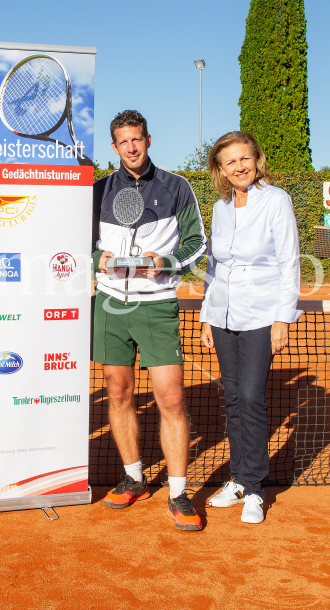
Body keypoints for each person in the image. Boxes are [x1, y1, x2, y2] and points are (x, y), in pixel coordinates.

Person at [92, 110, 207, 531]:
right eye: (123, 142)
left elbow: (198, 242)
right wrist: (94, 258)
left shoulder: (176, 187)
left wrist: (167, 262)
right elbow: (78, 240)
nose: (132, 148)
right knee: (117, 392)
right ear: (114, 146)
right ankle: (134, 477)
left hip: (157, 304)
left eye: (137, 139)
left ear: (148, 139)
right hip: (108, 304)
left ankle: (178, 492)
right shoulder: (99, 189)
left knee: (171, 398)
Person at [199, 131, 302, 524]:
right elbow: (214, 265)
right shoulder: (221, 207)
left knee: (252, 397)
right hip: (222, 314)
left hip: (262, 314)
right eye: (230, 162)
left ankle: (256, 489)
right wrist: (207, 314)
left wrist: (282, 318)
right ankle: (238, 479)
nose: (239, 167)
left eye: (245, 159)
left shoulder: (277, 200)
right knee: (232, 399)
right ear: (221, 170)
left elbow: (289, 262)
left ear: (257, 160)